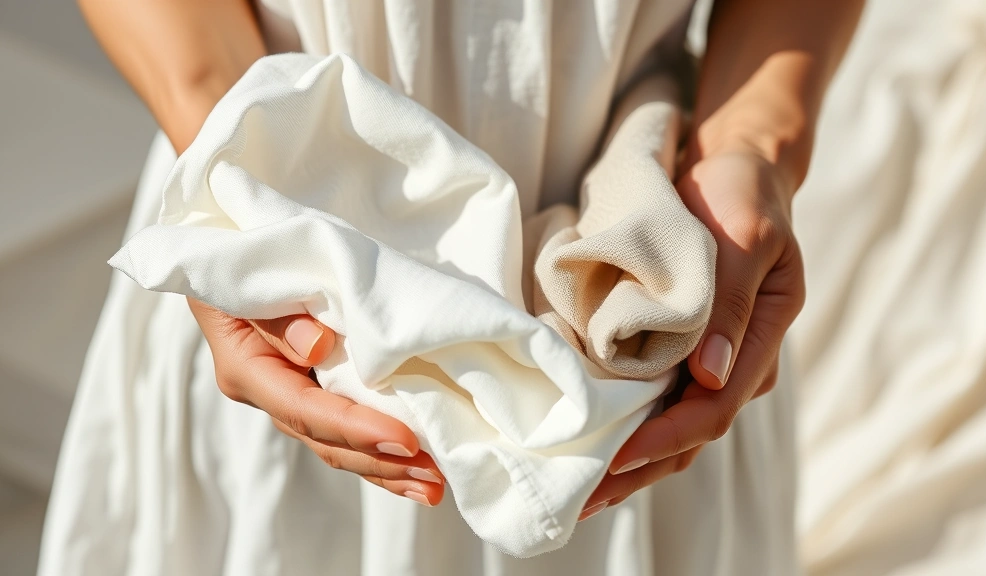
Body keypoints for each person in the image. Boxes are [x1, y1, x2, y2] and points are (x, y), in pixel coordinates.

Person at [40, 1, 862, 574]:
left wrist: (754, 143)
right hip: (292, 276)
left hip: (670, 289)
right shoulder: (265, 215)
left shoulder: (674, 280)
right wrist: (240, 173)